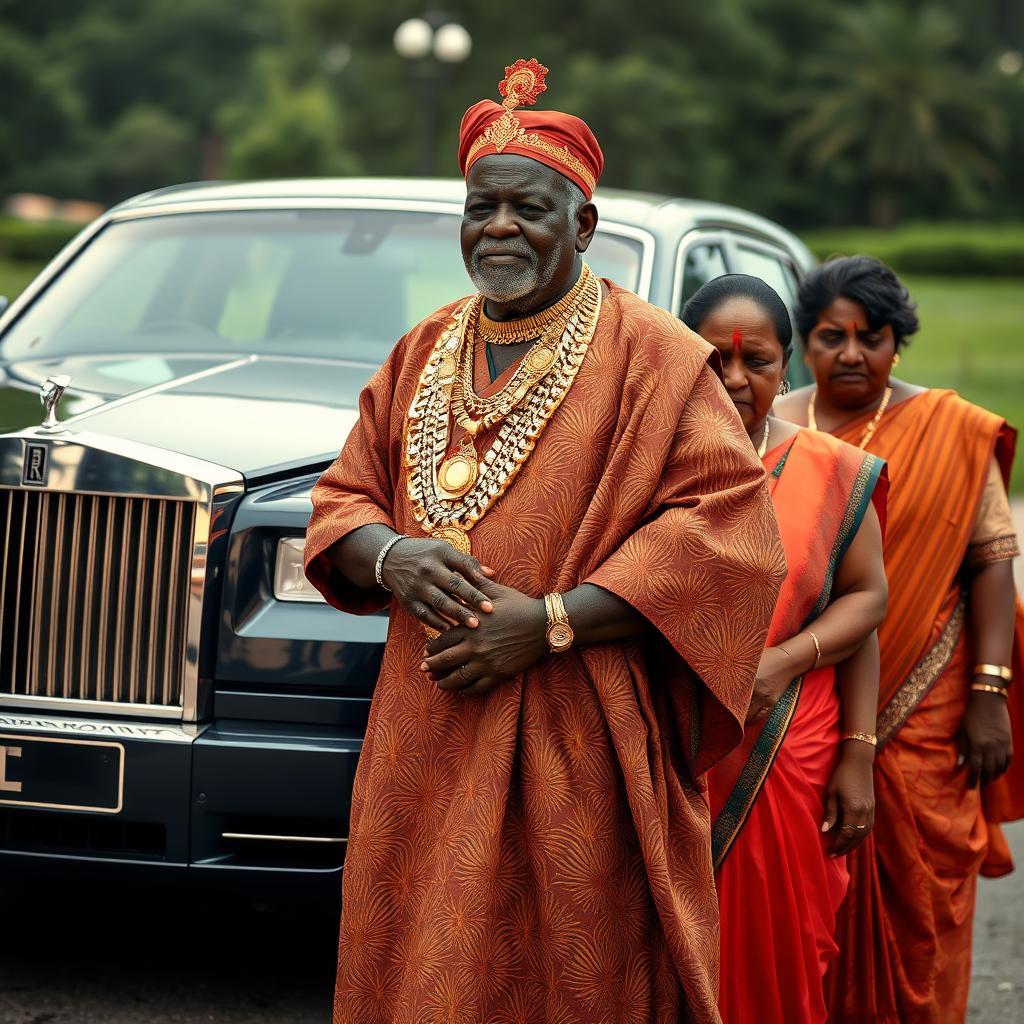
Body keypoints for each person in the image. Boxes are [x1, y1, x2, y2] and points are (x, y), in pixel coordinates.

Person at [303, 59, 787, 1023]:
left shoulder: (656, 357)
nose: (499, 229)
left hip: (576, 730)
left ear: (584, 226)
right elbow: (343, 499)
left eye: (529, 209)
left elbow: (728, 534)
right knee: (416, 957)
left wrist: (552, 622)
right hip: (426, 724)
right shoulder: (421, 348)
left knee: (572, 969)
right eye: (482, 208)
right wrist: (391, 555)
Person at [775, 255, 1024, 1024]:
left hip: (927, 708)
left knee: (924, 912)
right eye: (831, 337)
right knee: (801, 908)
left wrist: (990, 693)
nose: (852, 354)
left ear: (896, 343)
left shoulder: (951, 428)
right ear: (804, 344)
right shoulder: (772, 421)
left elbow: (989, 564)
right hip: (802, 704)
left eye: (872, 337)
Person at [681, 275, 889, 1024]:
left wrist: (790, 665)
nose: (736, 379)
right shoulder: (646, 467)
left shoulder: (831, 468)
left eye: (758, 362)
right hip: (670, 748)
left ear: (786, 365)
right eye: (715, 360)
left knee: (780, 959)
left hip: (787, 746)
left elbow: (866, 599)